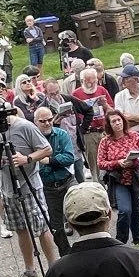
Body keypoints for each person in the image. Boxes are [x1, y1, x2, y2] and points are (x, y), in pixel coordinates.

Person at [0, 96, 60, 277]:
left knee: (42, 228)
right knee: (20, 229)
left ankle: (54, 270)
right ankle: (29, 271)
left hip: (29, 185)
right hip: (7, 186)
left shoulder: (24, 126)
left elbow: (46, 149)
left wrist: (27, 159)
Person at [96, 107, 139, 243]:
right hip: (118, 179)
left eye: (119, 120)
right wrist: (117, 163)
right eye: (114, 121)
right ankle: (120, 240)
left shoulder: (134, 136)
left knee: (137, 209)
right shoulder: (105, 141)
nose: (117, 123)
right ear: (109, 125)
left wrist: (134, 162)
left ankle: (138, 239)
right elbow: (100, 163)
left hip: (135, 177)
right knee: (125, 210)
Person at [36, 101, 81, 253]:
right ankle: (66, 254)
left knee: (80, 210)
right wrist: (56, 161)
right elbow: (38, 169)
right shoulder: (33, 140)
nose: (47, 123)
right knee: (56, 225)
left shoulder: (61, 134)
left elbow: (69, 157)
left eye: (49, 119)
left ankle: (86, 247)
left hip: (67, 180)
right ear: (35, 122)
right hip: (48, 187)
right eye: (43, 121)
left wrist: (48, 160)